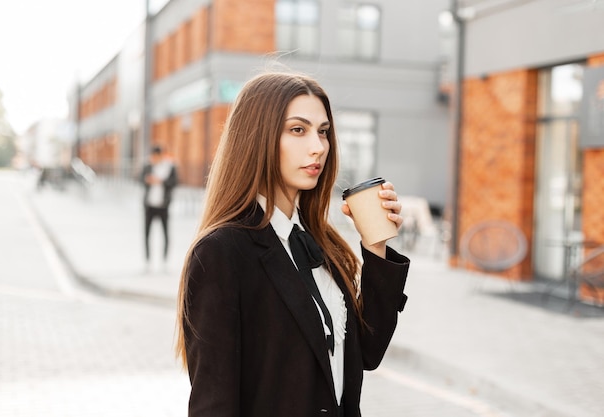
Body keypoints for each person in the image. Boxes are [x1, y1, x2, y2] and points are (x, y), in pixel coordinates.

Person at [175, 71, 410, 416]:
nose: (318, 146)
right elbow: (214, 404)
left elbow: (368, 352)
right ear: (258, 137)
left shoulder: (320, 241)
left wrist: (375, 244)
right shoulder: (221, 253)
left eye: (323, 132)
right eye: (298, 130)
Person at [140, 145, 178, 267]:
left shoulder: (169, 167)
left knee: (165, 233)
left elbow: (174, 182)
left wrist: (160, 181)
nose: (153, 158)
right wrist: (147, 179)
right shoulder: (148, 166)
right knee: (146, 233)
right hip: (149, 205)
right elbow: (139, 178)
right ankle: (147, 260)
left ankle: (165, 260)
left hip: (163, 205)